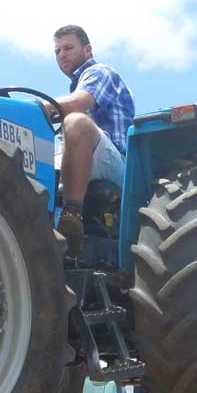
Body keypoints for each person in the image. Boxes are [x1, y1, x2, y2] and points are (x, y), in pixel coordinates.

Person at [46, 24, 135, 255]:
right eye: (57, 51)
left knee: (76, 123)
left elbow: (79, 102)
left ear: (87, 50)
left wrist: (37, 108)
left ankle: (71, 214)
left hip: (115, 167)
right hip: (91, 160)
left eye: (68, 48)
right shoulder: (75, 86)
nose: (62, 54)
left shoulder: (100, 72)